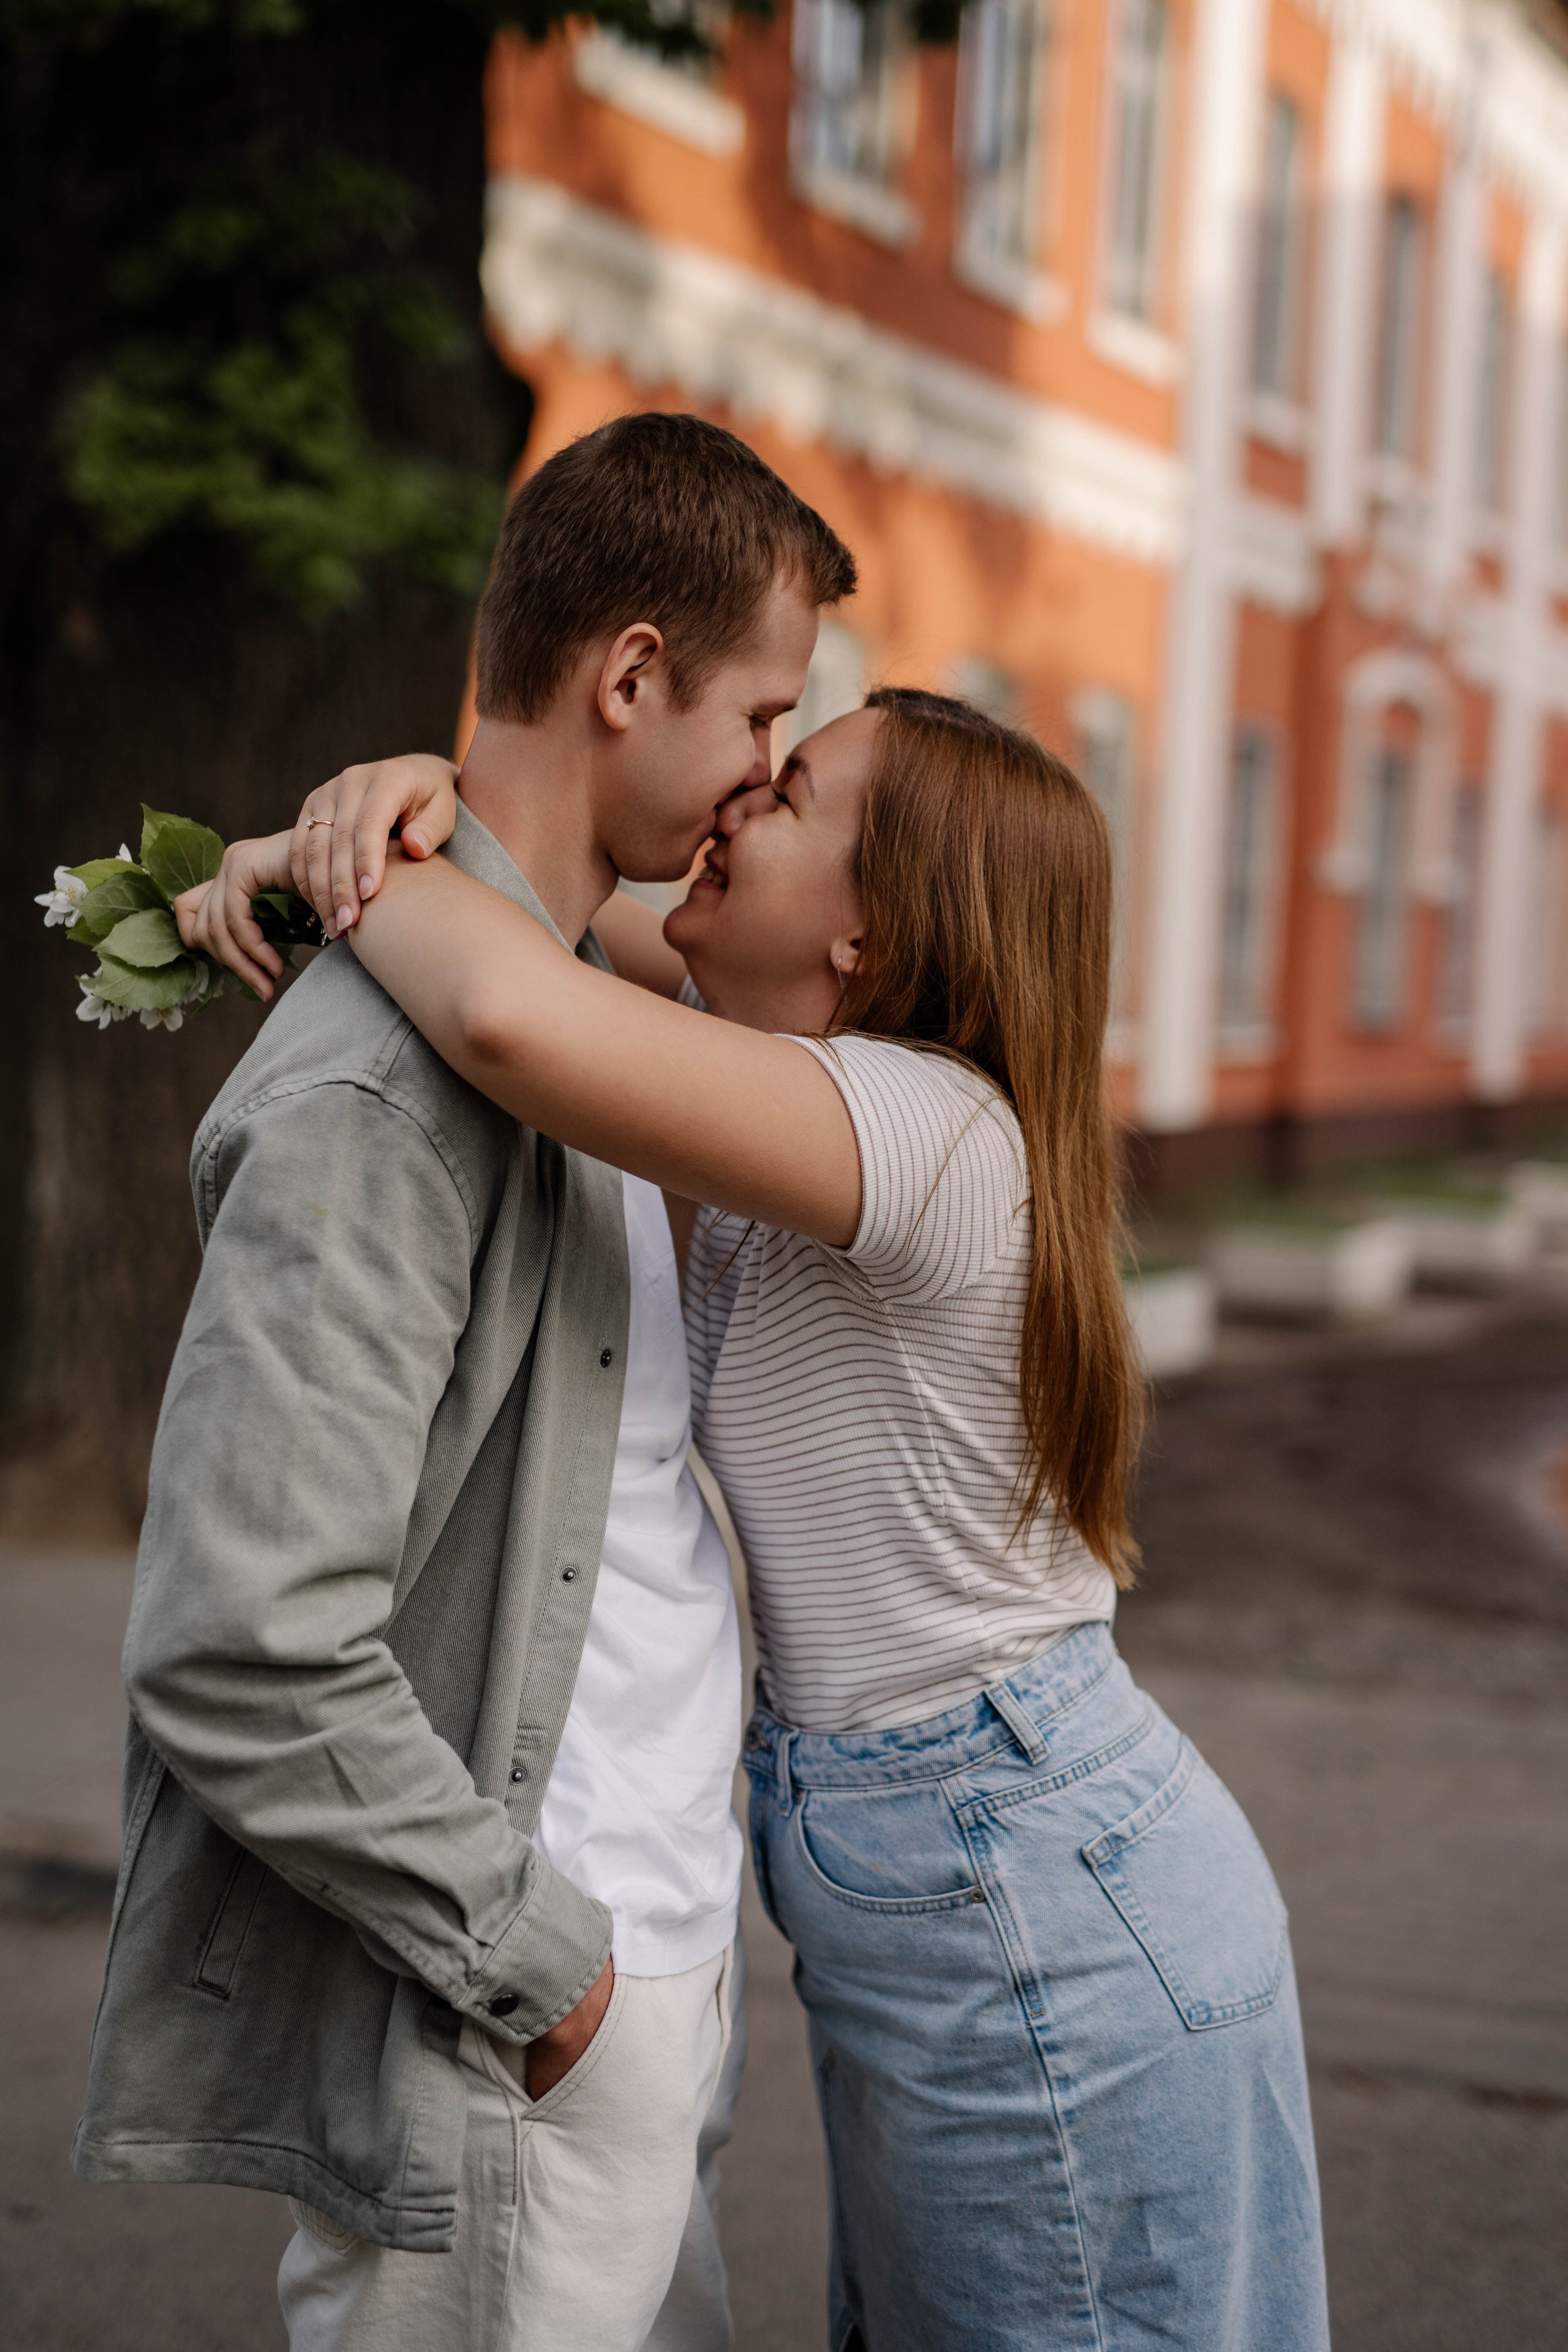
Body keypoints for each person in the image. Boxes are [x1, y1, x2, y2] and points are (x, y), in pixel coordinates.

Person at [188, 687, 1333, 2352]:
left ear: (870, 930)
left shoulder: (929, 1128)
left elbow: (502, 999)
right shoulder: (781, 1074)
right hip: (959, 1874)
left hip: (1028, 1879)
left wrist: (323, 855)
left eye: (788, 794)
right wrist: (388, 801)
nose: (734, 806)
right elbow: (526, 886)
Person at [72, 410, 858, 2352]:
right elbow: (241, 1643)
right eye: (766, 717)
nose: (771, 774)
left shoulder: (572, 1009)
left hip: (645, 1971)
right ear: (632, 677)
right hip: (520, 2025)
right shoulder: (381, 1094)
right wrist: (550, 1974)